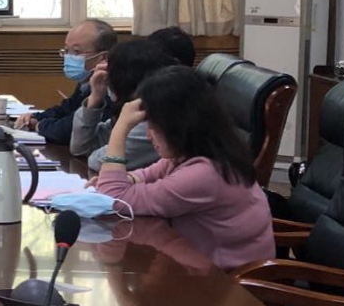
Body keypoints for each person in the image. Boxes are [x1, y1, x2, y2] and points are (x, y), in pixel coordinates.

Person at [94, 66, 274, 271]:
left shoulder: (203, 174)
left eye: (154, 126)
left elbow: (112, 198)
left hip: (231, 284)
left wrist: (120, 130)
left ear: (178, 124)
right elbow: (145, 174)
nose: (148, 135)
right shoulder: (198, 152)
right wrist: (127, 179)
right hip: (200, 269)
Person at [71, 39, 175, 172]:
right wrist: (95, 98)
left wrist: (121, 128)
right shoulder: (135, 108)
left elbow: (99, 162)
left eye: (110, 75)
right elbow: (80, 148)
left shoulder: (155, 119)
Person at [18, 18, 118, 144]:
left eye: (76, 52)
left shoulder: (110, 87)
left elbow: (68, 130)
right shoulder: (87, 81)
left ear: (103, 57)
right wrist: (36, 117)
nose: (69, 57)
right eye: (66, 50)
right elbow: (67, 108)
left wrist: (39, 125)